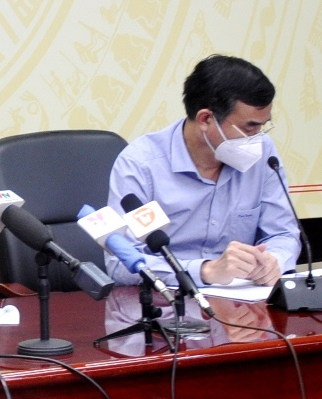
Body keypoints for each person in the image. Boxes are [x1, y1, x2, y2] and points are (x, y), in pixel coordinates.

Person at [106, 55, 300, 288]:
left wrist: (273, 261)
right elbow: (121, 261)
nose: (259, 136)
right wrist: (206, 270)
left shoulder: (262, 154)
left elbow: (284, 233)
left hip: (243, 308)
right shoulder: (140, 165)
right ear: (206, 119)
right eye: (250, 126)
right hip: (167, 308)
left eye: (263, 125)